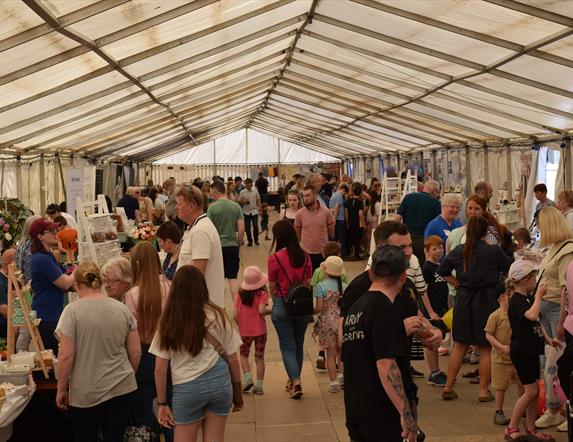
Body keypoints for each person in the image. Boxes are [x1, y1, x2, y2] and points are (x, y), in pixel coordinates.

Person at [341, 221, 443, 393]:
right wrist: (398, 330)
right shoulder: (360, 287)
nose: (410, 253)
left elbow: (415, 317)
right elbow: (347, 342)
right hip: (370, 388)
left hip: (402, 382)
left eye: (410, 246)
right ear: (381, 249)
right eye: (402, 247)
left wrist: (432, 332)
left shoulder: (407, 284)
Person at [151, 265, 243, 442]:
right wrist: (237, 393)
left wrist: (162, 404)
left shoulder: (169, 321)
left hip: (187, 387)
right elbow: (233, 359)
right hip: (220, 382)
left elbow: (160, 369)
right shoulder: (217, 315)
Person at [55, 261, 141, 442]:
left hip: (86, 391)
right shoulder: (122, 309)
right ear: (101, 282)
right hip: (120, 387)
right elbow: (135, 352)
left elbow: (66, 356)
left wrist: (61, 389)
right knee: (115, 437)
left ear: (77, 285)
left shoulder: (72, 312)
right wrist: (128, 373)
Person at [342, 245, 418, 442]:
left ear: (372, 272)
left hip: (356, 410)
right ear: (403, 277)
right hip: (381, 414)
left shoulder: (356, 308)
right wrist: (405, 413)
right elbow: (386, 364)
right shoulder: (385, 310)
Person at [438, 216, 513, 401]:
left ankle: (448, 387)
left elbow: (442, 270)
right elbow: (510, 267)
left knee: (459, 345)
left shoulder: (459, 251)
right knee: (485, 346)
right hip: (486, 300)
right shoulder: (493, 251)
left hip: (464, 299)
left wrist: (457, 283)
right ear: (485, 232)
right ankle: (482, 391)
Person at [505, 260, 561, 441]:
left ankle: (530, 427)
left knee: (535, 390)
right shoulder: (517, 300)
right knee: (530, 391)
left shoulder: (527, 298)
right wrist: (539, 296)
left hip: (530, 350)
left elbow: (536, 323)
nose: (536, 280)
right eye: (533, 277)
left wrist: (548, 338)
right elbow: (531, 315)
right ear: (524, 280)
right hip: (521, 351)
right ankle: (512, 427)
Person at [125, 242, 171, 432]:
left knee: (144, 418)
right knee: (170, 413)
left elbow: (130, 331)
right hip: (169, 354)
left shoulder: (132, 294)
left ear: (136, 265)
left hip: (144, 355)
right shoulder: (171, 287)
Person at [535, 207, 573, 429]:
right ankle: (553, 407)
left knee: (556, 364)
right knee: (549, 364)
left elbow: (565, 291)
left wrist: (561, 323)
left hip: (556, 312)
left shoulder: (567, 251)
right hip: (547, 309)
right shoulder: (555, 248)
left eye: (540, 225)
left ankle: (559, 408)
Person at [268, 220, 313, 399]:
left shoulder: (275, 258)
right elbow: (308, 282)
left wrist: (278, 301)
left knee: (287, 347)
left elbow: (272, 286)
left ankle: (295, 381)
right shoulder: (305, 255)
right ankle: (294, 380)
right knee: (298, 345)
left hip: (283, 303)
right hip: (301, 305)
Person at [30, 218, 75, 355]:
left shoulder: (47, 255)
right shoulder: (41, 259)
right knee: (54, 357)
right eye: (50, 231)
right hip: (47, 316)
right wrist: (78, 271)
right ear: (40, 236)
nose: (56, 233)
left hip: (52, 312)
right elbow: (65, 283)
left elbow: (65, 277)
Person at [176, 186, 226, 308]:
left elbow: (197, 274)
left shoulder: (201, 231)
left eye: (179, 204)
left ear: (191, 206)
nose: (176, 208)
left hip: (202, 307)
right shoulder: (196, 227)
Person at [485, 282, 523, 426]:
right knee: (500, 386)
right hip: (500, 358)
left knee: (522, 383)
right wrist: (501, 347)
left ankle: (523, 407)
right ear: (503, 297)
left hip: (517, 357)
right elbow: (488, 335)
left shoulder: (516, 313)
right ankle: (498, 411)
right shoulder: (495, 316)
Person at [207, 180, 245, 302]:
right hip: (232, 246)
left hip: (217, 247)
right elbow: (241, 229)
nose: (210, 195)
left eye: (211, 193)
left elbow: (209, 231)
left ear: (215, 191)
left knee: (218, 280)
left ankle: (219, 308)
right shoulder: (236, 206)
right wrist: (238, 244)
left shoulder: (212, 208)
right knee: (233, 278)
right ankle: (238, 309)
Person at [313, 256, 347, 393]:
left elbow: (319, 307)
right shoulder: (345, 287)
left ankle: (333, 383)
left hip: (326, 323)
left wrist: (312, 311)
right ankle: (343, 376)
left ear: (326, 271)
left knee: (330, 354)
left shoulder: (321, 286)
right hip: (341, 322)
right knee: (342, 352)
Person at [235, 266, 270, 395]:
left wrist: (240, 323)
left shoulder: (240, 293)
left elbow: (235, 314)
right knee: (259, 357)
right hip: (260, 330)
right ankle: (259, 386)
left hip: (245, 331)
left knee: (244, 355)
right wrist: (269, 311)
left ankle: (248, 378)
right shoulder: (262, 294)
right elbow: (261, 310)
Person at [395, 180, 441, 265]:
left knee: (408, 264)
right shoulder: (436, 203)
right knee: (423, 266)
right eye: (437, 192)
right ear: (433, 190)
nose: (437, 195)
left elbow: (397, 218)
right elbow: (438, 223)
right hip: (425, 239)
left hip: (408, 238)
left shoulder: (408, 197)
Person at [295, 185, 335, 272]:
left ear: (314, 195)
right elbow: (298, 231)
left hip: (323, 253)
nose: (305, 198)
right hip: (306, 253)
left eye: (308, 195)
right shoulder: (299, 214)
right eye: (303, 196)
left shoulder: (326, 212)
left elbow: (331, 231)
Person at [345, 183, 366, 261]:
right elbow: (360, 215)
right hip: (358, 223)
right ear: (360, 192)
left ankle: (347, 253)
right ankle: (356, 254)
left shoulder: (348, 201)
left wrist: (347, 222)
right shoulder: (359, 202)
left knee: (350, 238)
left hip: (350, 223)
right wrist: (364, 224)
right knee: (357, 239)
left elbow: (346, 213)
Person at [239, 178, 261, 247]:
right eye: (247, 184)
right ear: (245, 184)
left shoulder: (255, 191)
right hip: (246, 212)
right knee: (247, 228)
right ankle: (250, 241)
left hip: (254, 211)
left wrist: (259, 209)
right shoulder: (242, 192)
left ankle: (256, 240)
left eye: (250, 184)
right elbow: (240, 201)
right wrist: (244, 202)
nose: (249, 185)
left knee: (255, 226)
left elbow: (258, 200)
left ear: (252, 184)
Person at [0, 249, 15, 338]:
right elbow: (3, 308)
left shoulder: (10, 277)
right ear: (12, 262)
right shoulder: (1, 282)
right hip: (4, 326)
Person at [330, 184, 348, 256]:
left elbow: (332, 208)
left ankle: (332, 253)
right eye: (345, 193)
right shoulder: (339, 196)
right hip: (339, 219)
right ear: (344, 190)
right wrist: (334, 219)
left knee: (335, 237)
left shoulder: (333, 195)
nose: (344, 195)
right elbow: (337, 207)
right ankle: (342, 253)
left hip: (334, 218)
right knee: (342, 237)